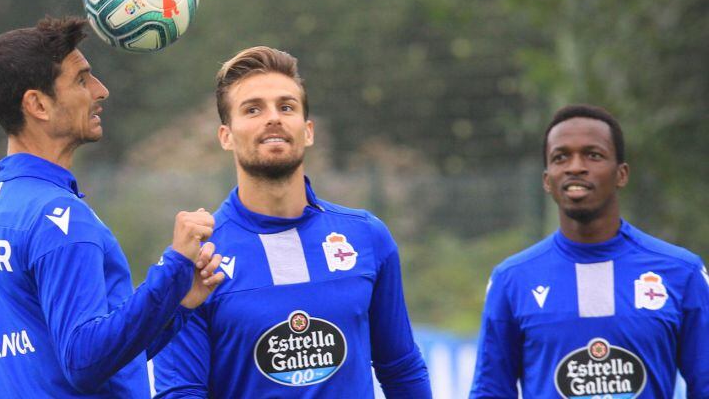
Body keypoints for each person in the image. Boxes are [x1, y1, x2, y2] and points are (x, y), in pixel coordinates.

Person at [153, 46, 432, 398]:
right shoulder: (197, 257)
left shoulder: (366, 237)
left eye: (286, 107)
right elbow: (181, 392)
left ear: (308, 130)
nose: (273, 118)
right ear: (226, 136)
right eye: (253, 109)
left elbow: (402, 369)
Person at [0, 16, 225, 397]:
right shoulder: (57, 215)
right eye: (81, 80)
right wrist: (172, 267)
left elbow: (100, 361)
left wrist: (177, 304)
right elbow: (84, 361)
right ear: (37, 104)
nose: (100, 91)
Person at [470, 104, 708, 398]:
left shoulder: (681, 272)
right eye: (561, 157)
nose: (575, 167)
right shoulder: (512, 279)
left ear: (621, 174)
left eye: (593, 155)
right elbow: (491, 390)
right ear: (547, 180)